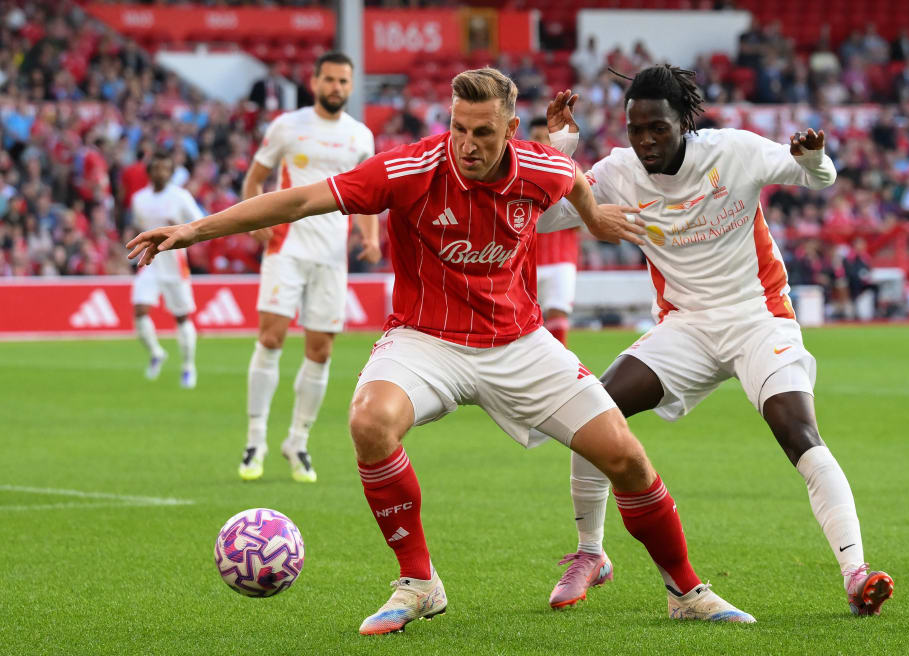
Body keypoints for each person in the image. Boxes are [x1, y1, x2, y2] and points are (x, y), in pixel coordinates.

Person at [128, 67, 757, 635]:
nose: (468, 144)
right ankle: (419, 583)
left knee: (624, 456)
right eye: (459, 128)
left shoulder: (542, 168)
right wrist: (193, 230)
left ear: (512, 128)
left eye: (483, 132)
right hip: (425, 339)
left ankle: (685, 590)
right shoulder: (407, 170)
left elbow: (574, 186)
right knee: (369, 422)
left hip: (519, 344)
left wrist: (595, 222)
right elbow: (299, 200)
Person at [538, 65, 895, 617]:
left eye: (657, 127)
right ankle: (591, 553)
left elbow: (819, 178)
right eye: (636, 129)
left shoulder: (733, 152)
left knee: (796, 430)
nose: (646, 140)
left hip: (759, 317)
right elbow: (544, 218)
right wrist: (561, 148)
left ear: (684, 122)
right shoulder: (619, 171)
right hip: (686, 326)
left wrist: (812, 158)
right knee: (592, 411)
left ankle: (856, 573)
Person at [237, 51, 381, 484]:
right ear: (315, 81)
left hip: (332, 256)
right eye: (330, 79)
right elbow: (254, 178)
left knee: (321, 350)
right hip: (287, 247)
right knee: (271, 337)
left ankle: (297, 442)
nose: (336, 87)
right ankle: (255, 439)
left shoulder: (360, 136)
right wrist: (253, 218)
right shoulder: (287, 125)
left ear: (351, 87)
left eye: (343, 81)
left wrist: (370, 236)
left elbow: (369, 195)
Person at [129, 150, 202, 389]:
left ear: (171, 172)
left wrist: (179, 229)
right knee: (139, 309)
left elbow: (199, 223)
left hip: (174, 263)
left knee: (181, 316)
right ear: (150, 172)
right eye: (156, 168)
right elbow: (141, 226)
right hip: (150, 262)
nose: (161, 172)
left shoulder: (181, 197)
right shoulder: (139, 199)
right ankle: (156, 352)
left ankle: (188, 366)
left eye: (165, 168)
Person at [528, 115, 579, 345]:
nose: (540, 142)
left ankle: (561, 373)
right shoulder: (520, 173)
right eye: (535, 137)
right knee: (527, 323)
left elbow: (582, 216)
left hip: (561, 258)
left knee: (558, 316)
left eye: (544, 138)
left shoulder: (571, 170)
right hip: (526, 262)